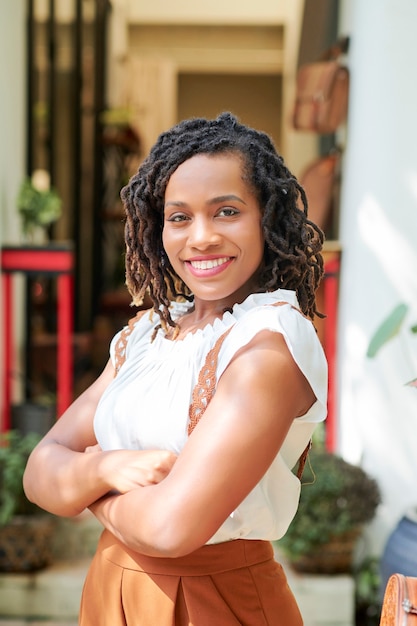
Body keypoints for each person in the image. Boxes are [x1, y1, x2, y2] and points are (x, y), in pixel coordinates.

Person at [23, 112, 328, 625]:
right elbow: (38, 469)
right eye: (179, 216)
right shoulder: (146, 334)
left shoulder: (270, 343)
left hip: (211, 601)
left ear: (266, 219)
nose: (201, 237)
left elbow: (170, 530)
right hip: (108, 589)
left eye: (226, 211)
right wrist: (103, 467)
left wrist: (86, 492)